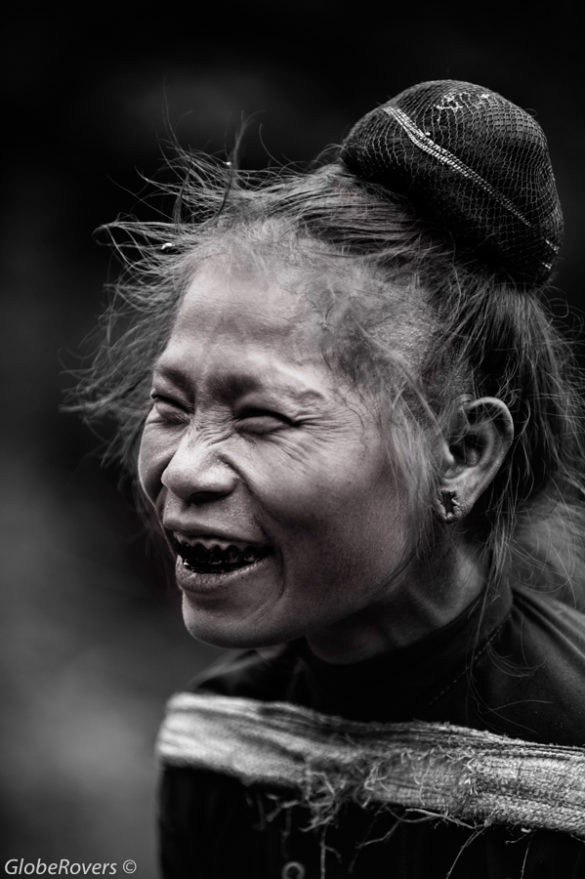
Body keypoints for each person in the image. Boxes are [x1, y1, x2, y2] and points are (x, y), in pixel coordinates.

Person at [79, 80, 585, 877]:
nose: (182, 468)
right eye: (171, 406)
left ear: (463, 453)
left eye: (264, 419)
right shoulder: (219, 738)